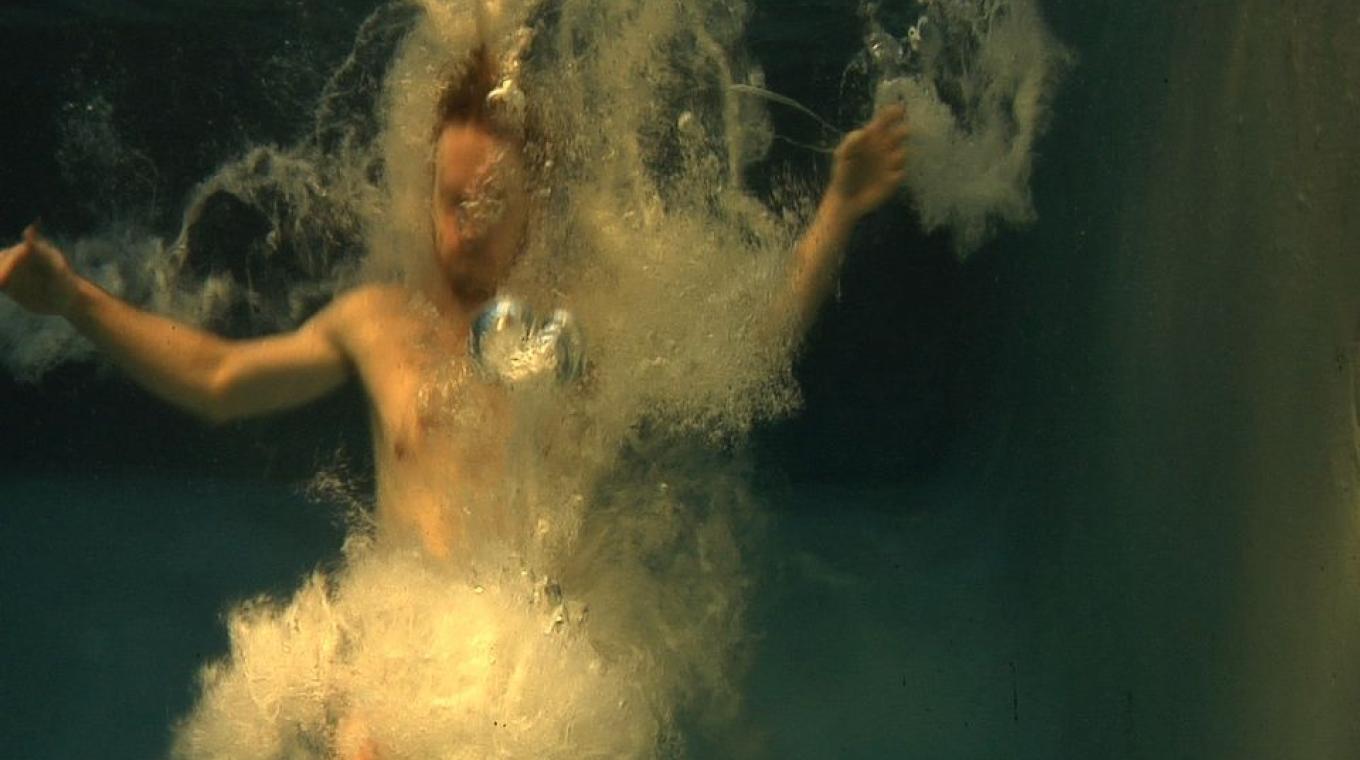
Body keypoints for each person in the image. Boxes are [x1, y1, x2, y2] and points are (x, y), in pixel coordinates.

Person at [0, 43, 907, 760]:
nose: (461, 228)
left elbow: (751, 348)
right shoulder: (379, 322)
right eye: (447, 202)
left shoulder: (583, 328)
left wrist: (839, 206)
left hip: (526, 655)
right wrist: (77, 302)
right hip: (404, 637)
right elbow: (220, 382)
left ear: (531, 202)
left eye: (487, 204)